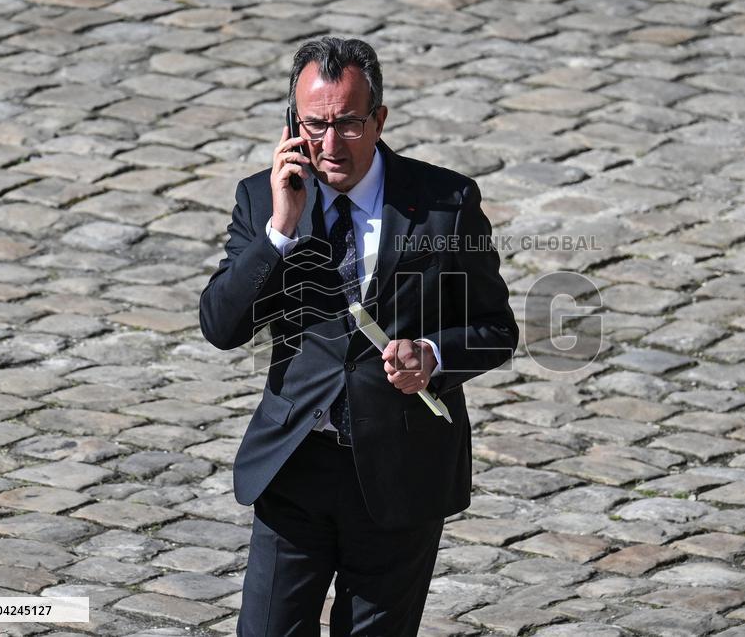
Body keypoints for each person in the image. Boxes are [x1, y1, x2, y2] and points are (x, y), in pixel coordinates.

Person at [199, 36, 518, 637]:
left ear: (379, 120)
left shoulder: (445, 205)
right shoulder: (259, 199)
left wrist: (434, 355)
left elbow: (497, 329)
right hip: (295, 467)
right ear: (293, 124)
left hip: (399, 474)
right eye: (314, 124)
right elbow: (221, 326)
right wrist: (279, 232)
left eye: (347, 123)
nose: (329, 143)